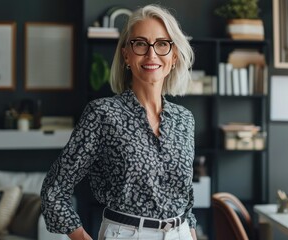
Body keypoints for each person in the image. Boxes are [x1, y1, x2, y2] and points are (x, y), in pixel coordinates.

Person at [41, 4, 197, 240]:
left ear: (174, 56)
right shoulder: (102, 114)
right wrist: (82, 237)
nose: (151, 54)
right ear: (126, 54)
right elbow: (54, 189)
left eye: (162, 44)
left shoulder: (185, 120)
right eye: (140, 43)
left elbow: (186, 199)